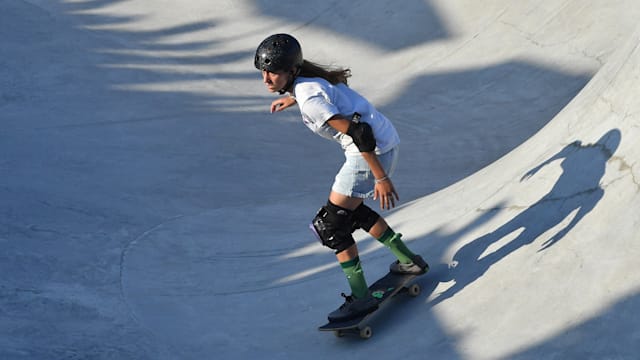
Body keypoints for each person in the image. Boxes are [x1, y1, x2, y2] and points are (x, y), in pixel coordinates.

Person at [254, 33, 428, 322]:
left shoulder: (309, 96)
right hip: (386, 141)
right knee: (351, 210)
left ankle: (361, 298)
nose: (266, 79)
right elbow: (334, 99)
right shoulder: (307, 85)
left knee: (330, 225)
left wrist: (381, 178)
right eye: (263, 72)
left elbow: (360, 133)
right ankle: (409, 260)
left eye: (273, 72)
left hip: (371, 152)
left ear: (291, 71)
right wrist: (292, 99)